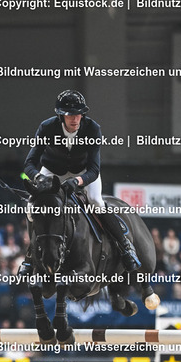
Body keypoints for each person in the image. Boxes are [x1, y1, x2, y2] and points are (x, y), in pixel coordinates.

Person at [19, 89, 141, 275]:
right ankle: (30, 255)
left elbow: (94, 169)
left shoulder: (92, 129)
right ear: (61, 115)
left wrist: (77, 181)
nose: (75, 119)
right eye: (70, 115)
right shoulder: (47, 127)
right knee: (31, 207)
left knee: (96, 202)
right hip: (52, 171)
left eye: (78, 114)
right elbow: (29, 163)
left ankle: (125, 246)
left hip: (83, 172)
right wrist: (38, 177)